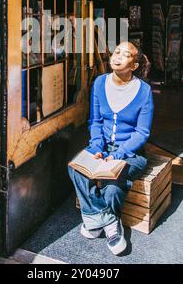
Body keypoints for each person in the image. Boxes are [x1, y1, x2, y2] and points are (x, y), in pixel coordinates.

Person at [68, 42, 154, 256]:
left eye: (126, 55)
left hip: (131, 153)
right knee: (75, 168)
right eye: (117, 52)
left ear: (133, 65)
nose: (118, 56)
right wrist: (97, 147)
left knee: (113, 186)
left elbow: (142, 134)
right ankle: (111, 223)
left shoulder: (144, 91)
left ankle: (94, 222)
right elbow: (95, 121)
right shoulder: (99, 83)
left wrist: (117, 155)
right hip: (102, 147)